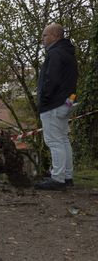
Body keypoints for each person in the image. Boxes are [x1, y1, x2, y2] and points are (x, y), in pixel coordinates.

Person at [35, 23, 78, 191]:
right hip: (67, 101)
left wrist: (44, 99)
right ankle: (67, 176)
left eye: (45, 36)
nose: (42, 39)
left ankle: (58, 179)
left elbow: (51, 80)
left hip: (54, 103)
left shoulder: (55, 53)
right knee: (63, 139)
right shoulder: (68, 53)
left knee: (54, 141)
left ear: (55, 35)